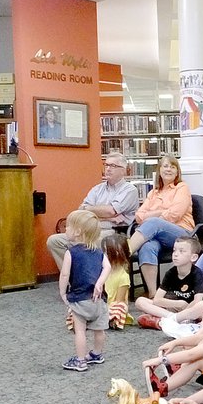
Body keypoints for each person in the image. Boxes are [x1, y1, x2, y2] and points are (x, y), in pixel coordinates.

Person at [46, 151, 139, 270]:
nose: (108, 169)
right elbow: (81, 210)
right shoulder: (97, 189)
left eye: (113, 166)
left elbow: (110, 210)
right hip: (90, 229)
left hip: (113, 233)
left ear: (124, 170)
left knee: (85, 243)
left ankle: (89, 278)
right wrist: (108, 216)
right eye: (106, 165)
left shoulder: (130, 190)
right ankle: (74, 278)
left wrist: (97, 212)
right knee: (54, 241)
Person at [142, 287, 203, 396]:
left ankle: (162, 388)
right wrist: (176, 343)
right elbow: (198, 337)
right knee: (195, 350)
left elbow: (191, 354)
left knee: (196, 360)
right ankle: (177, 373)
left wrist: (161, 360)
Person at [128, 154, 194, 296]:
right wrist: (160, 212)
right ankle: (153, 294)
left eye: (172, 166)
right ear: (159, 170)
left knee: (154, 223)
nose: (169, 169)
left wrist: (154, 217)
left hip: (182, 233)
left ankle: (123, 256)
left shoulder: (181, 188)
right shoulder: (153, 192)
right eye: (165, 166)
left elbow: (175, 214)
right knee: (147, 246)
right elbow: (139, 216)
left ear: (177, 172)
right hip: (158, 235)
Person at [58, 210, 111, 372]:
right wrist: (99, 283)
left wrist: (62, 292)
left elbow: (65, 274)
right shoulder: (99, 252)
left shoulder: (70, 252)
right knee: (99, 329)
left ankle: (80, 361)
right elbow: (107, 267)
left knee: (79, 331)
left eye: (68, 226)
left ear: (78, 231)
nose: (65, 229)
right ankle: (96, 354)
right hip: (98, 300)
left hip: (80, 299)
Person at [135, 236, 203, 329]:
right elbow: (157, 300)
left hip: (192, 310)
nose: (175, 254)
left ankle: (165, 320)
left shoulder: (198, 275)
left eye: (181, 251)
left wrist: (184, 311)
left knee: (201, 306)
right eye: (174, 250)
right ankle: (173, 319)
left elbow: (197, 301)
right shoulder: (171, 273)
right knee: (140, 301)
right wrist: (178, 304)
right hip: (174, 308)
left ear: (193, 257)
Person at [102, 233, 133, 330]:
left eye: (107, 252)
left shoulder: (123, 276)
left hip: (114, 306)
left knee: (120, 307)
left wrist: (107, 308)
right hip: (103, 305)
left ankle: (110, 320)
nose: (104, 255)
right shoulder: (104, 271)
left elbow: (119, 300)